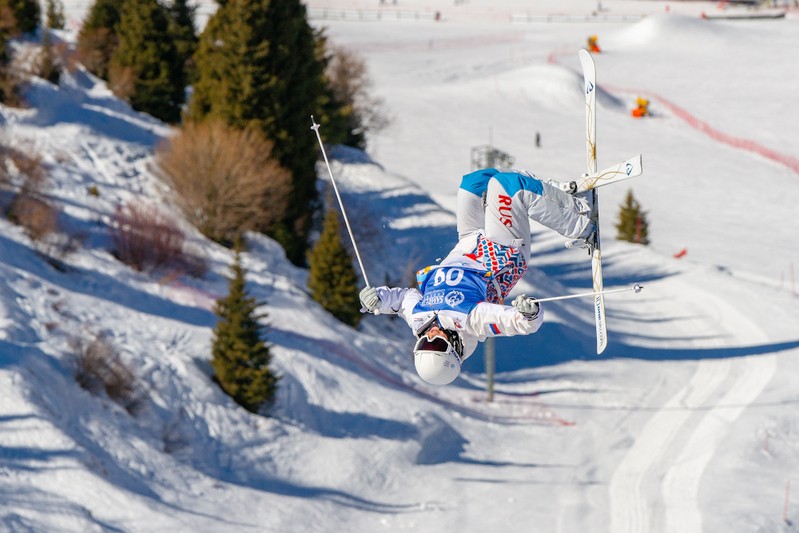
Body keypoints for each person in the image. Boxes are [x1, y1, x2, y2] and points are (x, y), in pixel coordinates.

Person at [359, 167, 595, 385]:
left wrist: (377, 299)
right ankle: (582, 224)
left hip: (470, 242)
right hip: (503, 252)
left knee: (473, 183)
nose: (431, 336)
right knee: (508, 186)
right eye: (437, 344)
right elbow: (517, 323)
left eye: (423, 343)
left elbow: (402, 300)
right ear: (453, 347)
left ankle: (543, 193)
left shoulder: (419, 319)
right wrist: (530, 314)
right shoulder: (471, 321)